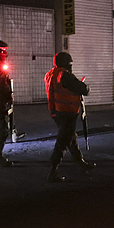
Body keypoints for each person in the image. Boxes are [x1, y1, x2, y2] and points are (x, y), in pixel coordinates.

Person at [43, 51, 93, 182]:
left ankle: (81, 163)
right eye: (70, 64)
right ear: (65, 63)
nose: (71, 66)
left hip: (56, 112)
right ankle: (52, 172)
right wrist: (84, 86)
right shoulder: (64, 75)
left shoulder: (50, 74)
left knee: (71, 139)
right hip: (67, 113)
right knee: (63, 142)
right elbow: (83, 89)